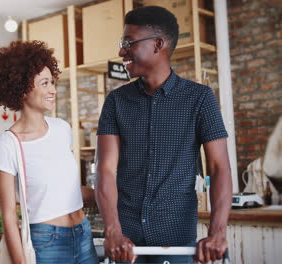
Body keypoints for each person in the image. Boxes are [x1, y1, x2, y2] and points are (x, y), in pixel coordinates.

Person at [95, 6, 232, 264]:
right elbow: (106, 171)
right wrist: (113, 231)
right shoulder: (116, 102)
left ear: (158, 44)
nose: (121, 51)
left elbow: (219, 167)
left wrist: (218, 233)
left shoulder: (200, 99)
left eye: (128, 42)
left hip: (176, 240)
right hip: (126, 243)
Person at [0, 40, 97, 264]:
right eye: (45, 83)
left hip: (83, 233)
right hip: (46, 242)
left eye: (52, 82)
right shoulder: (8, 144)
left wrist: (108, 194)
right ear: (23, 88)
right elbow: (8, 215)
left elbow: (64, 189)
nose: (53, 90)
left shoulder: (62, 129)